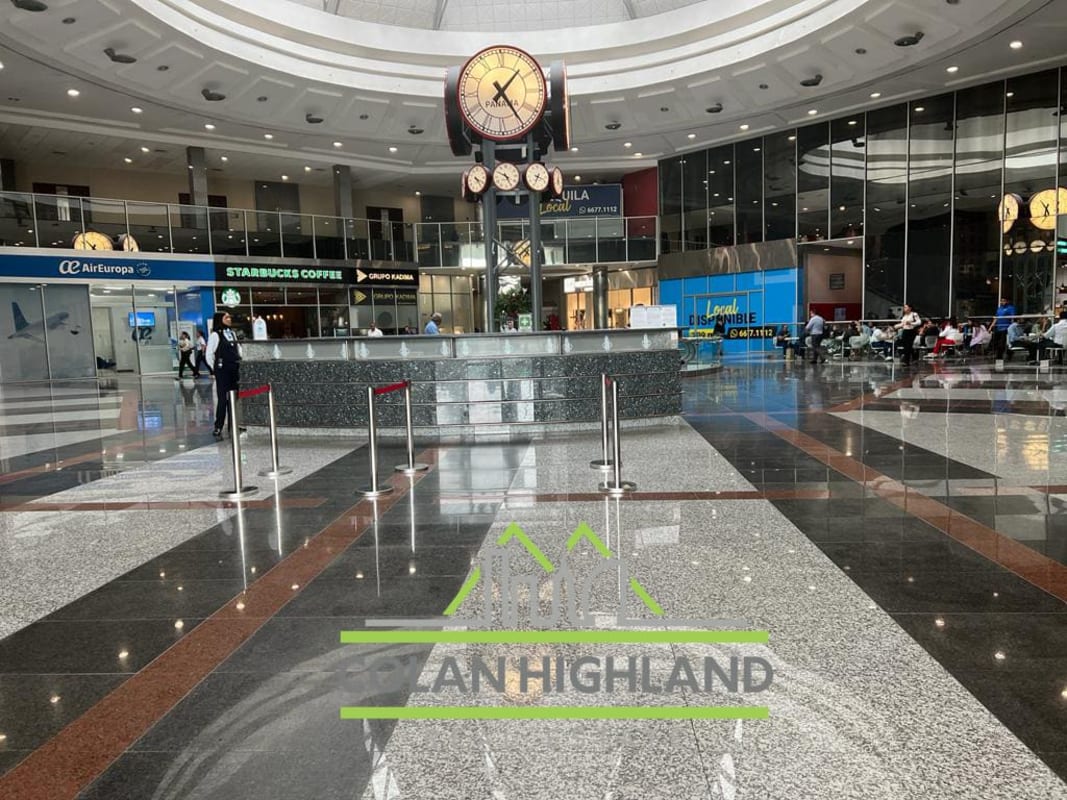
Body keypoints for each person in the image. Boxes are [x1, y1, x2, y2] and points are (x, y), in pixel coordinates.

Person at [204, 311, 242, 438]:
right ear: (220, 319)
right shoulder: (215, 335)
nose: (229, 319)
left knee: (234, 399)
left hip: (234, 369)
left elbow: (238, 350)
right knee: (222, 399)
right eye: (226, 317)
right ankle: (218, 426)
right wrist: (215, 369)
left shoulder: (232, 334)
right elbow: (209, 354)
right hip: (222, 370)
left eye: (229, 316)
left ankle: (233, 425)